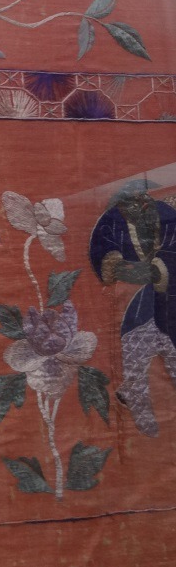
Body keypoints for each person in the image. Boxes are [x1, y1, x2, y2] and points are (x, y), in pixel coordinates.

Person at [89, 179, 176, 437]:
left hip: (168, 298)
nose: (142, 202)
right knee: (135, 352)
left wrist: (159, 270)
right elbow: (106, 260)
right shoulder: (110, 222)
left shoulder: (165, 213)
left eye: (144, 196)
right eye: (133, 200)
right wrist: (131, 270)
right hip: (139, 306)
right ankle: (144, 421)